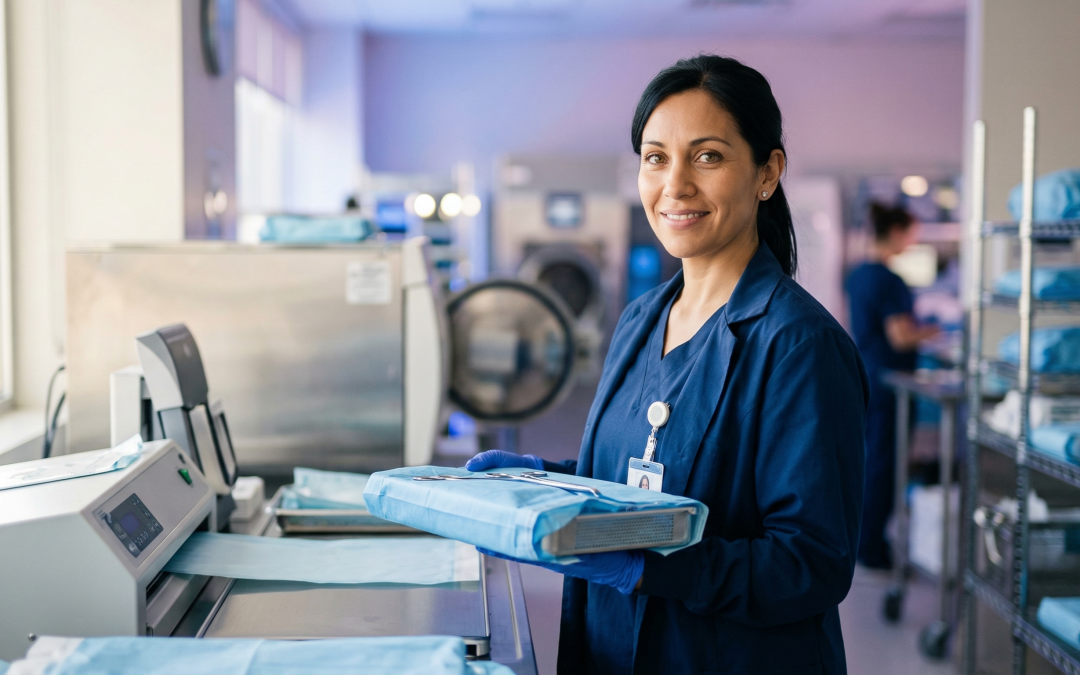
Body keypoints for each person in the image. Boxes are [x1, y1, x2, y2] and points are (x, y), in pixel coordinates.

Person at [466, 55, 868, 674]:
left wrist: (651, 564)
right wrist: (544, 481)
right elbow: (649, 475)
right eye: (655, 158)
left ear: (767, 173)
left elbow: (807, 564)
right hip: (607, 648)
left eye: (707, 156)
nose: (674, 184)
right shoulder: (641, 319)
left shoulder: (798, 345)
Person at [846, 204, 940, 569]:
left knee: (871, 462)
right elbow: (901, 338)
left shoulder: (858, 275)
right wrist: (935, 331)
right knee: (885, 465)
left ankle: (863, 542)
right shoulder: (889, 279)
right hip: (890, 386)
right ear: (898, 233)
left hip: (868, 377)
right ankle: (872, 548)